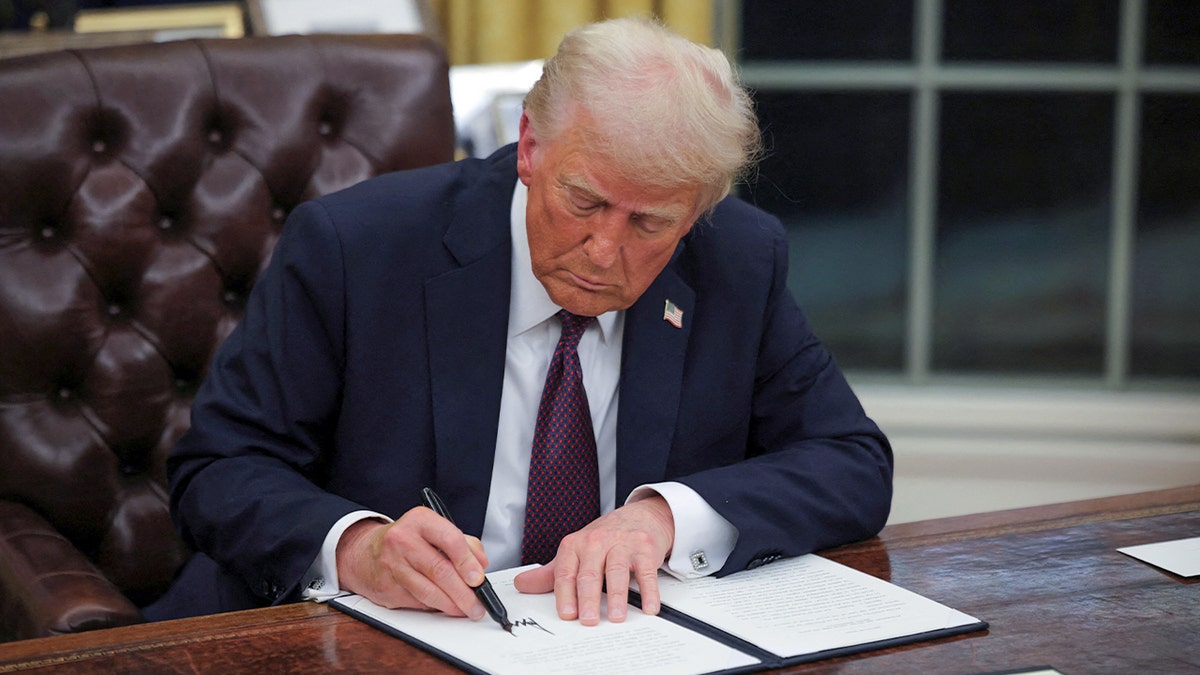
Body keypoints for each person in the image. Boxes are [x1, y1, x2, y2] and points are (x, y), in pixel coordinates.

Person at [146, 17, 893, 628]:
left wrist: (666, 518)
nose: (605, 253)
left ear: (696, 212)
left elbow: (851, 460)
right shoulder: (355, 249)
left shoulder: (737, 259)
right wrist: (358, 548)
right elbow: (218, 468)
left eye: (651, 224)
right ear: (531, 146)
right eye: (585, 202)